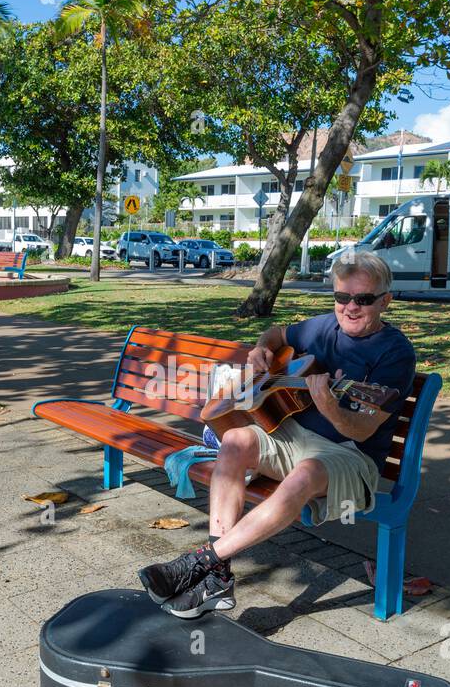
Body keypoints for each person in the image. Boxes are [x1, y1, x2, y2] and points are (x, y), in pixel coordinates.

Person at [139, 250, 417, 618]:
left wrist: (331, 406)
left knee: (304, 474)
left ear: (385, 301)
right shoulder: (321, 328)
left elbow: (364, 429)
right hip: (293, 435)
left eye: (363, 299)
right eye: (341, 297)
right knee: (236, 440)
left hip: (350, 454)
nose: (350, 307)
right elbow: (276, 333)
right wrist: (260, 350)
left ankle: (202, 561)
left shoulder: (395, 353)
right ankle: (218, 578)